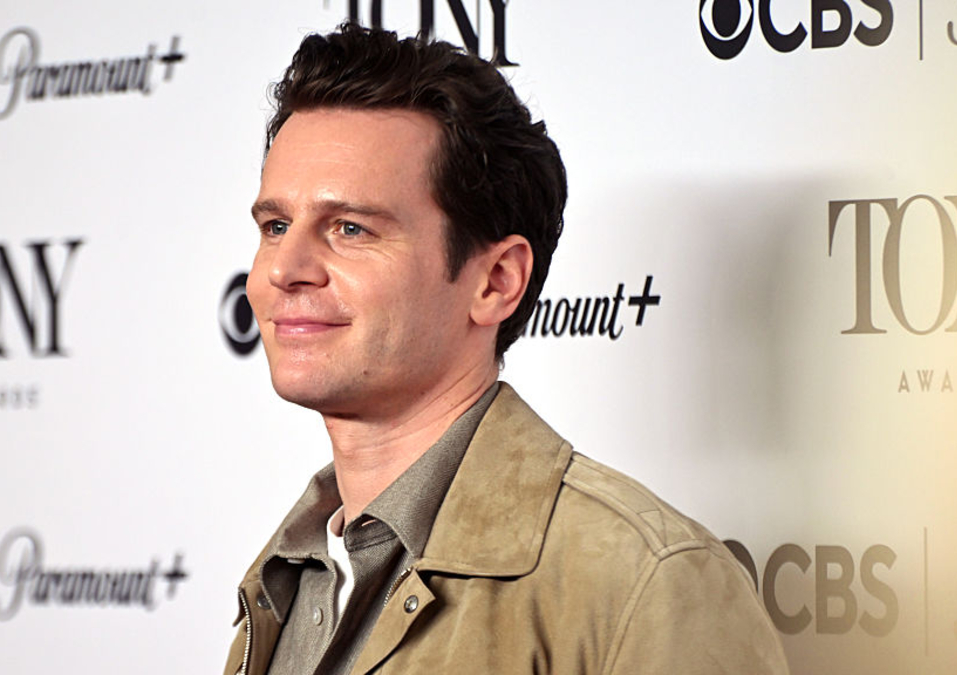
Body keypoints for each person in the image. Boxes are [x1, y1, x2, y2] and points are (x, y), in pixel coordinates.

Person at [225, 22, 789, 675]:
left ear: (495, 282)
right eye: (275, 225)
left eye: (350, 227)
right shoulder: (289, 573)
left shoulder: (644, 583)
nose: (282, 268)